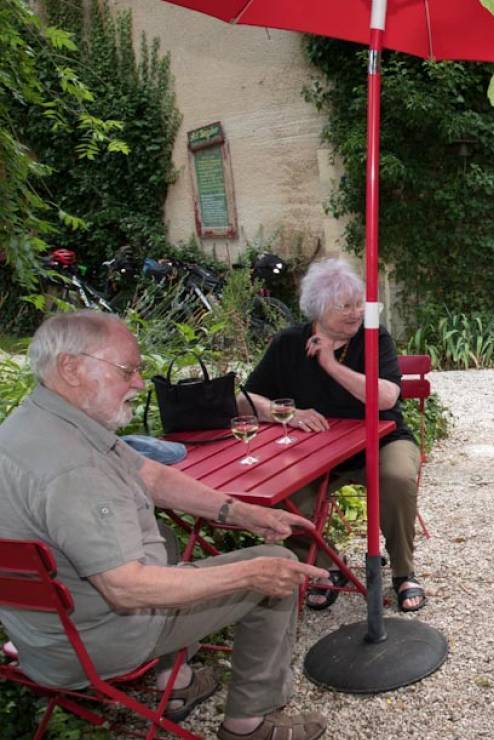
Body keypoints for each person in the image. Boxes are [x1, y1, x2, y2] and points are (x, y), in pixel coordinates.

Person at [0, 311, 328, 740]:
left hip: (40, 635)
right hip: (94, 643)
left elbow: (150, 475)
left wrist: (246, 512)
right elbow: (127, 588)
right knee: (273, 568)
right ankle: (248, 724)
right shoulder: (74, 469)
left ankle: (177, 686)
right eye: (127, 369)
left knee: (165, 539)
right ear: (71, 368)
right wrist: (252, 572)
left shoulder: (36, 423)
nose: (138, 382)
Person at [242, 257, 426, 612]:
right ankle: (327, 568)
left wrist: (331, 363)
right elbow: (245, 400)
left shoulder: (375, 338)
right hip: (313, 452)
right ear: (319, 307)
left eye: (359, 303)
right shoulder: (287, 344)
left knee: (399, 476)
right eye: (345, 306)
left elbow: (387, 397)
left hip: (381, 439)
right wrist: (288, 414)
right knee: (281, 495)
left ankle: (404, 571)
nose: (357, 313)